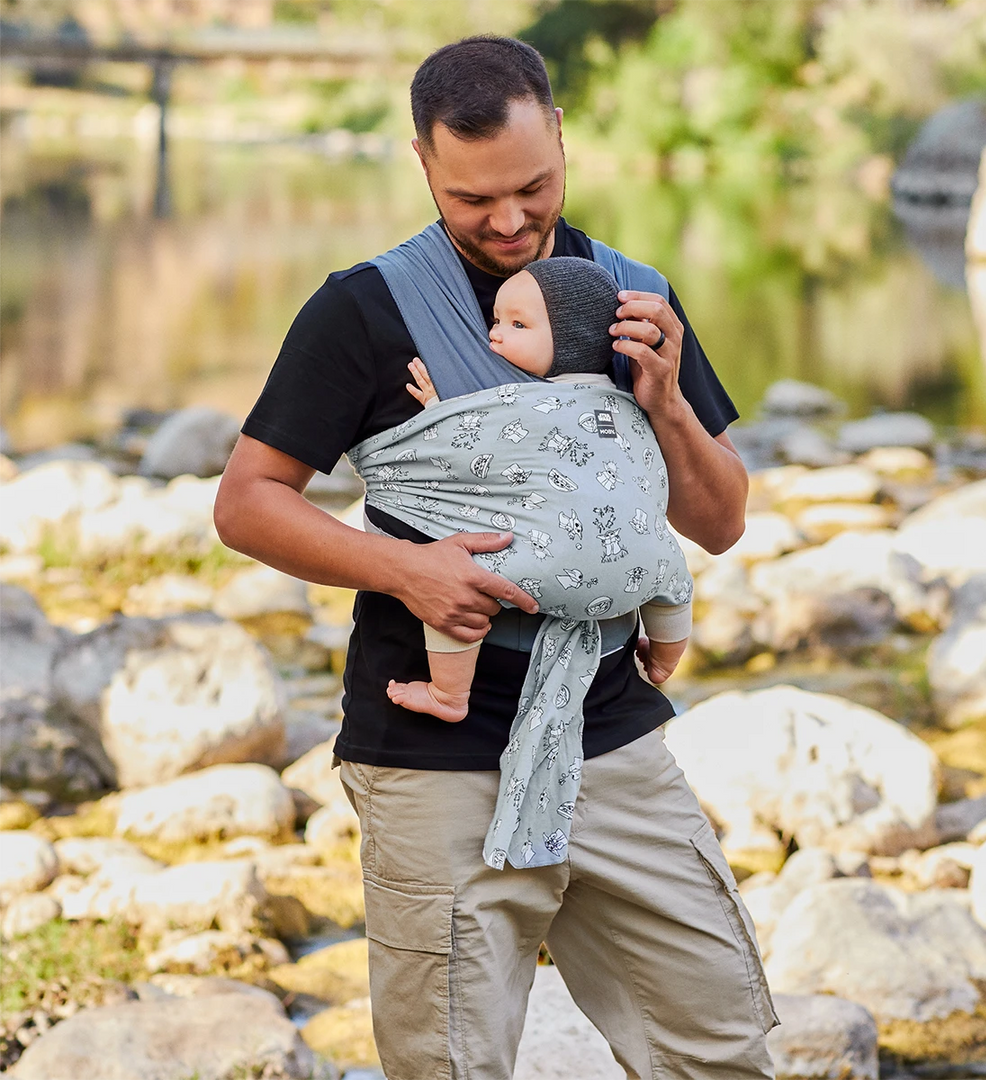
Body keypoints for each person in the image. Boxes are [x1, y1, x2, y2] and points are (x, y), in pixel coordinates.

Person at [215, 34, 776, 1080]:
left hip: (611, 733)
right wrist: (405, 571)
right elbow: (248, 503)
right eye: (476, 199)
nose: (512, 222)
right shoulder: (364, 309)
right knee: (452, 1066)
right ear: (424, 161)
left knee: (719, 1044)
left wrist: (665, 406)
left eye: (534, 186)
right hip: (436, 757)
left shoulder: (629, 296)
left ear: (561, 135)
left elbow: (719, 521)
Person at [387, 256, 691, 724]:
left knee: (455, 585)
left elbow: (468, 448)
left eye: (517, 324)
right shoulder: (632, 405)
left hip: (544, 574)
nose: (496, 335)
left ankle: (449, 694)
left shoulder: (521, 400)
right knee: (673, 570)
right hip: (638, 577)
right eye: (496, 321)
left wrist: (434, 408)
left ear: (570, 337)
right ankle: (666, 659)